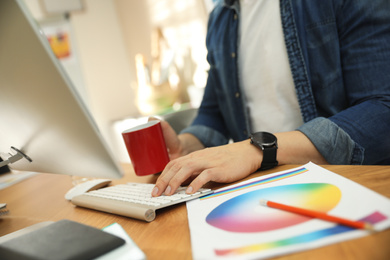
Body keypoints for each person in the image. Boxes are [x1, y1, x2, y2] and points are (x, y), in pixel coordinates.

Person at [151, 0, 390, 197]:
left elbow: (382, 110)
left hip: (349, 188)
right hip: (263, 192)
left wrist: (257, 150)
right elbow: (213, 113)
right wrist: (186, 147)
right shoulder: (220, 18)